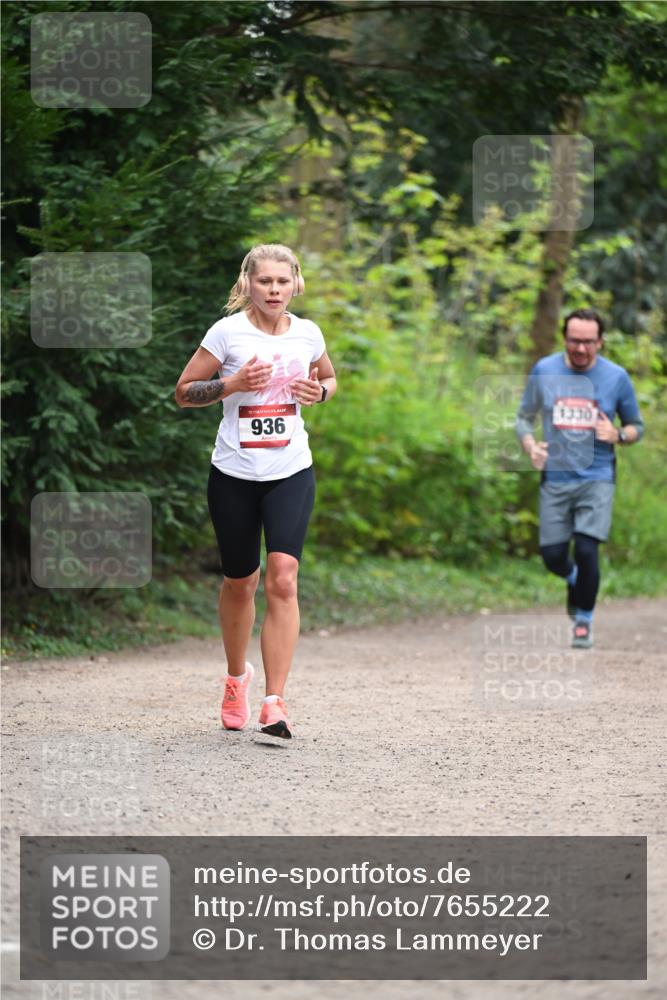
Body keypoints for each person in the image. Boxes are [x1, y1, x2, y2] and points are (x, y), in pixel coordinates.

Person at [175, 244, 336, 741]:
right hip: (234, 474)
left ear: (296, 284)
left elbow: (328, 376)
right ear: (248, 283)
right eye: (264, 281)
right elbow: (183, 392)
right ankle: (235, 678)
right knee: (241, 581)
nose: (273, 290)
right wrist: (233, 382)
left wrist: (321, 392)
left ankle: (274, 700)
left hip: (290, 469)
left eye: (282, 282)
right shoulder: (227, 333)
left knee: (283, 577)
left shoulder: (308, 333)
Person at [515, 308, 643, 649]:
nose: (581, 349)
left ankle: (583, 619)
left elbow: (636, 427)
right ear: (565, 339)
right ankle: (575, 581)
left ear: (600, 342)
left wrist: (618, 435)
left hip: (598, 477)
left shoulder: (616, 377)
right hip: (555, 477)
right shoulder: (545, 370)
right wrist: (530, 446)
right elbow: (523, 419)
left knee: (587, 549)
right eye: (575, 341)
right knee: (553, 556)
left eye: (588, 342)